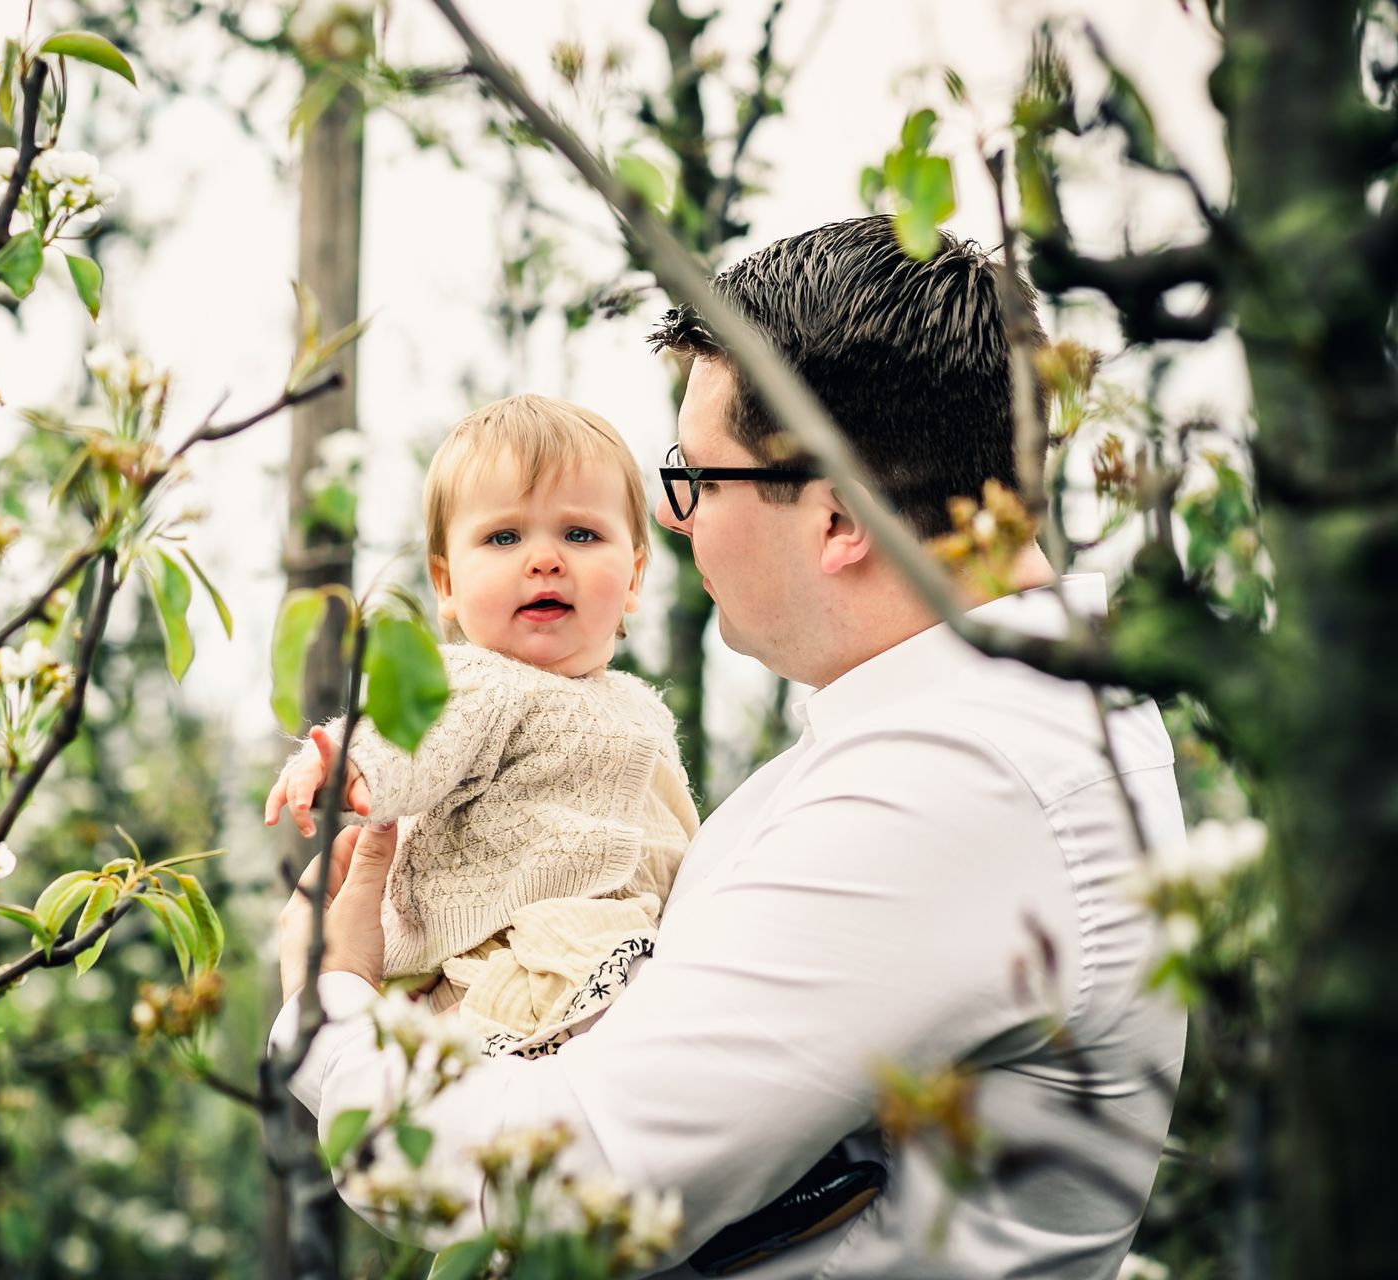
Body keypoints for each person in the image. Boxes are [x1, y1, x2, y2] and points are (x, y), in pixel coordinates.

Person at [268, 215, 1186, 1278]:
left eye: (698, 477)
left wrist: (329, 1010)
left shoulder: (961, 784)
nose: (674, 518)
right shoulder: (943, 738)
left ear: (839, 519)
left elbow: (553, 1191)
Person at [265, 394, 700, 1057]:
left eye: (580, 534)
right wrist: (346, 763)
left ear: (635, 575)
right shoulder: (480, 678)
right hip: (509, 968)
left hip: (620, 952)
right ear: (446, 583)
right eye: (504, 537)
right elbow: (417, 733)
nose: (545, 559)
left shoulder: (638, 703)